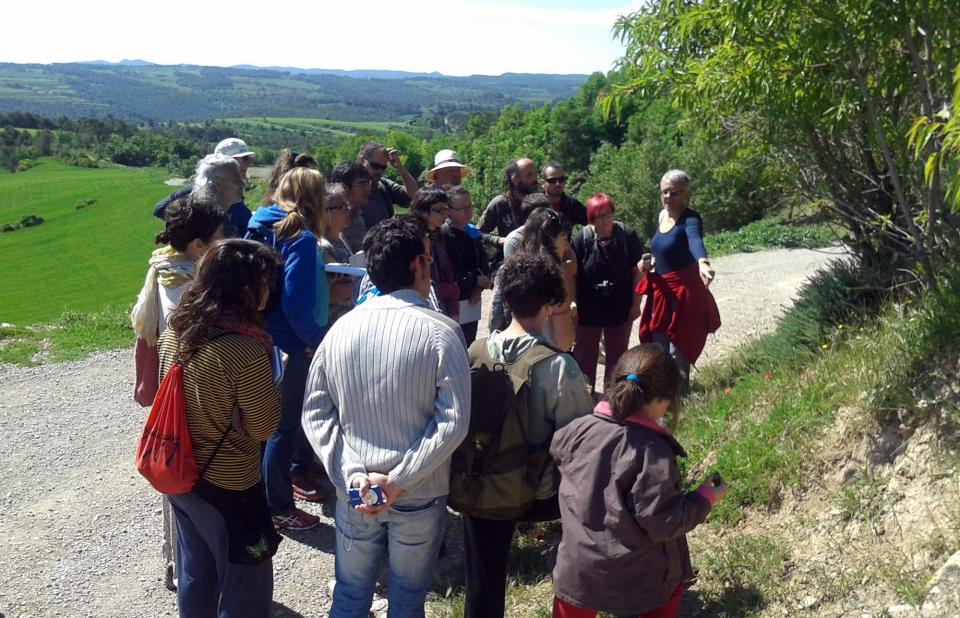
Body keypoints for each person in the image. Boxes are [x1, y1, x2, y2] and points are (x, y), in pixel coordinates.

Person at [302, 215, 470, 618]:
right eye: (428, 259)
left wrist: (353, 473)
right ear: (417, 264)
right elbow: (453, 422)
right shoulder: (442, 332)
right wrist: (398, 481)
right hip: (420, 493)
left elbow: (315, 413)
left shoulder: (339, 331)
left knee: (350, 593)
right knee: (408, 597)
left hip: (355, 492)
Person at [550, 344, 729, 618]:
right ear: (660, 400)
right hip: (634, 576)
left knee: (574, 598)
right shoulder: (652, 452)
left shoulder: (577, 429)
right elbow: (663, 522)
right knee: (674, 586)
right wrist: (704, 497)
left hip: (576, 568)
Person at [157, 238, 285, 618]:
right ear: (246, 289)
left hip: (180, 474)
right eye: (265, 282)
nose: (270, 290)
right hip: (229, 483)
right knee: (245, 584)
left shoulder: (175, 332)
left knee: (197, 573)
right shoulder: (245, 350)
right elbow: (264, 427)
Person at [461, 252, 593, 618]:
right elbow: (578, 442)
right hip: (537, 492)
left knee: (483, 585)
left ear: (504, 300)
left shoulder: (474, 351)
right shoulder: (558, 366)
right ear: (550, 304)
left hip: (480, 485)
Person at [130, 197, 225, 591]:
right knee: (186, 481)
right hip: (189, 395)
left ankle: (181, 565)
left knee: (177, 483)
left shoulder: (166, 266)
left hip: (175, 389)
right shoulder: (186, 284)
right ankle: (192, 570)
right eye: (219, 235)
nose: (226, 239)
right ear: (200, 245)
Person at [247, 167, 328, 529]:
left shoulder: (258, 224)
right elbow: (296, 303)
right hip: (290, 344)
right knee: (284, 428)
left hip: (257, 334)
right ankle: (278, 507)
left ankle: (262, 497)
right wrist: (314, 342)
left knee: (262, 426)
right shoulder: (300, 236)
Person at [637, 170, 720, 396]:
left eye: (673, 192)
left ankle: (680, 401)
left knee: (678, 348)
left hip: (682, 295)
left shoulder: (690, 219)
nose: (667, 197)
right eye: (664, 192)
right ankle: (663, 399)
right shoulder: (662, 217)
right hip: (661, 294)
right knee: (658, 349)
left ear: (685, 194)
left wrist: (702, 261)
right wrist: (648, 263)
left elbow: (694, 240)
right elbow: (662, 252)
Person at [572, 193, 644, 391]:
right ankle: (584, 399)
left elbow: (638, 271)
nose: (604, 220)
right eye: (598, 216)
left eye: (608, 214)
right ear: (590, 218)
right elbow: (572, 275)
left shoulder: (626, 236)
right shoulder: (582, 239)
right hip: (588, 309)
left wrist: (636, 304)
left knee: (618, 358)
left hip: (619, 307)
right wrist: (573, 305)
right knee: (584, 357)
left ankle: (613, 400)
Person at [153, 138, 255, 236]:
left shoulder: (234, 188)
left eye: (249, 158)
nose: (248, 163)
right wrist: (191, 230)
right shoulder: (200, 188)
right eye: (244, 159)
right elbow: (161, 208)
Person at [509, 206, 577, 351]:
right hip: (547, 357)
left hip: (518, 353)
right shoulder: (556, 279)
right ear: (552, 240)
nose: (566, 246)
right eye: (564, 239)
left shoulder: (515, 270)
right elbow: (564, 341)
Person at [441, 186, 491, 345]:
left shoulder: (472, 231)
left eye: (469, 206)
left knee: (468, 344)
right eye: (462, 208)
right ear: (449, 211)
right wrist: (475, 281)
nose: (468, 211)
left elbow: (483, 262)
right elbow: (450, 273)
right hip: (453, 302)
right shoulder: (444, 235)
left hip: (471, 302)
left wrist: (478, 288)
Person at [410, 188, 460, 320]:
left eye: (446, 209)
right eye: (440, 210)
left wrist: (454, 310)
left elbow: (447, 272)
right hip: (421, 306)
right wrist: (449, 290)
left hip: (442, 304)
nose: (445, 214)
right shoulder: (412, 239)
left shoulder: (439, 234)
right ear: (422, 211)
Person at [477, 157, 538, 261]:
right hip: (510, 262)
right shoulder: (500, 203)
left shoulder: (539, 202)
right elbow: (478, 232)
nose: (534, 179)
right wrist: (499, 240)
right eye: (529, 175)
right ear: (515, 179)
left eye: (535, 174)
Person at [319, 182, 357, 328]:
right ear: (325, 212)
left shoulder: (340, 237)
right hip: (333, 325)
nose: (348, 210)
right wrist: (367, 282)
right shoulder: (323, 247)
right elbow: (333, 295)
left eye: (347, 205)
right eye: (342, 207)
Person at [357, 140, 418, 229]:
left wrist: (400, 168)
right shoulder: (348, 187)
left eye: (383, 168)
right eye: (375, 166)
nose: (380, 172)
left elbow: (416, 197)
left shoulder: (384, 184)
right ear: (362, 160)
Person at [330, 161, 373, 253]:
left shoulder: (357, 212)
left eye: (368, 183)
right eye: (362, 183)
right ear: (344, 187)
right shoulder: (330, 216)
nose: (369, 189)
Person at [539, 162, 587, 227]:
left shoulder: (572, 205)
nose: (558, 184)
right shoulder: (535, 205)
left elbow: (592, 222)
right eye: (552, 180)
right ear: (542, 183)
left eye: (561, 180)